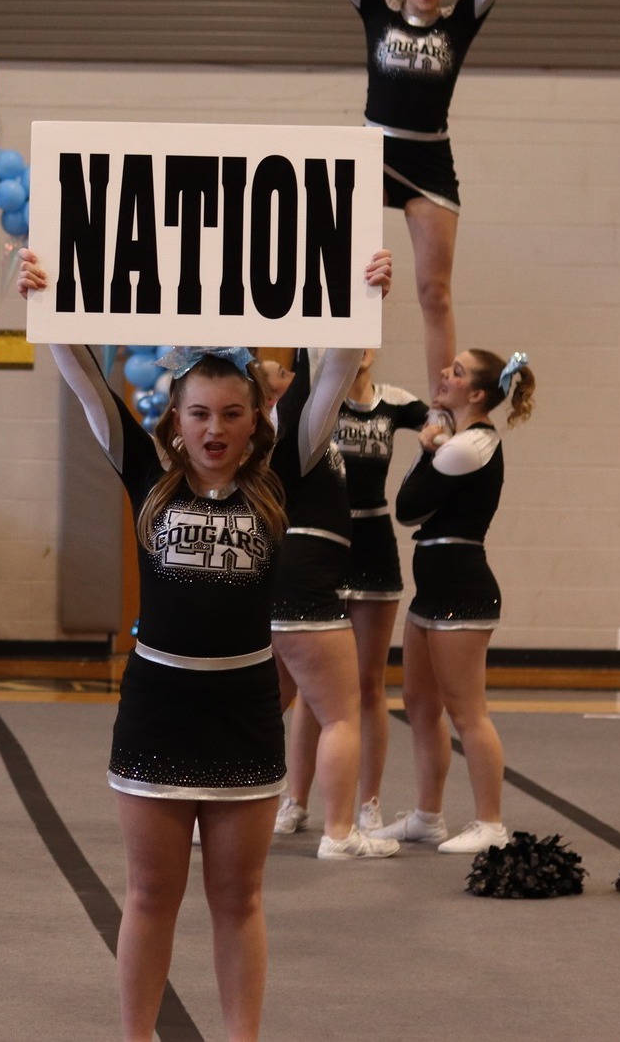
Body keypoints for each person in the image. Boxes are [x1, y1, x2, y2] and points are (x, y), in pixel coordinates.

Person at [18, 247, 391, 1042]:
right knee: (151, 895)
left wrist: (366, 300)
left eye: (230, 413)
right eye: (199, 414)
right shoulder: (149, 478)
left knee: (239, 898)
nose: (214, 429)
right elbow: (88, 384)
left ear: (256, 418)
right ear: (175, 422)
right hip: (158, 707)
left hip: (243, 708)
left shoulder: (280, 477)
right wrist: (43, 305)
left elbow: (331, 379)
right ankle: (136, 1036)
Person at [294, 0, 542, 393]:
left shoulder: (459, 24)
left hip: (429, 157)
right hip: (373, 148)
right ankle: (326, 391)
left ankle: (442, 405)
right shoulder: (376, 10)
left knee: (435, 292)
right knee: (347, 279)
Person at [373, 349, 536, 855]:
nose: (445, 375)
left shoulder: (471, 445)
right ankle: (427, 816)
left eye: (457, 373)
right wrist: (430, 446)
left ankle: (491, 821)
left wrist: (426, 450)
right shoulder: (458, 442)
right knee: (421, 705)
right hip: (436, 591)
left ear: (478, 395)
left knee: (468, 712)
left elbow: (406, 508)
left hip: (462, 592)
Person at [287, 352, 431, 833]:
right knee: (315, 688)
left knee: (368, 684)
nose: (360, 349)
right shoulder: (322, 402)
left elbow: (448, 417)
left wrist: (435, 444)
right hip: (324, 542)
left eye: (367, 340)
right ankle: (296, 799)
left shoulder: (394, 403)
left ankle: (367, 802)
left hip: (372, 544)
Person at [266, 348, 399, 860]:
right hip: (308, 586)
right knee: (342, 714)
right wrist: (345, 311)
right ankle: (340, 833)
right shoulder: (302, 432)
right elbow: (333, 367)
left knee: (264, 706)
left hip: (292, 581)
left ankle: (205, 806)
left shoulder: (294, 435)